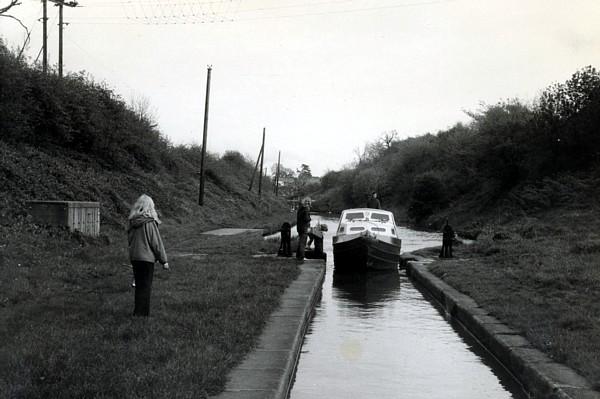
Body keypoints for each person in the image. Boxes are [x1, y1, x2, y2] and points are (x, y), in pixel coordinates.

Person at [128, 194, 169, 316]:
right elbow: (156, 243)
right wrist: (164, 260)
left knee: (139, 285)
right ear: (150, 207)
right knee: (146, 286)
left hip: (135, 258)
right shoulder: (149, 223)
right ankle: (143, 314)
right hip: (146, 259)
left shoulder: (132, 222)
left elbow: (129, 240)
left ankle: (137, 312)